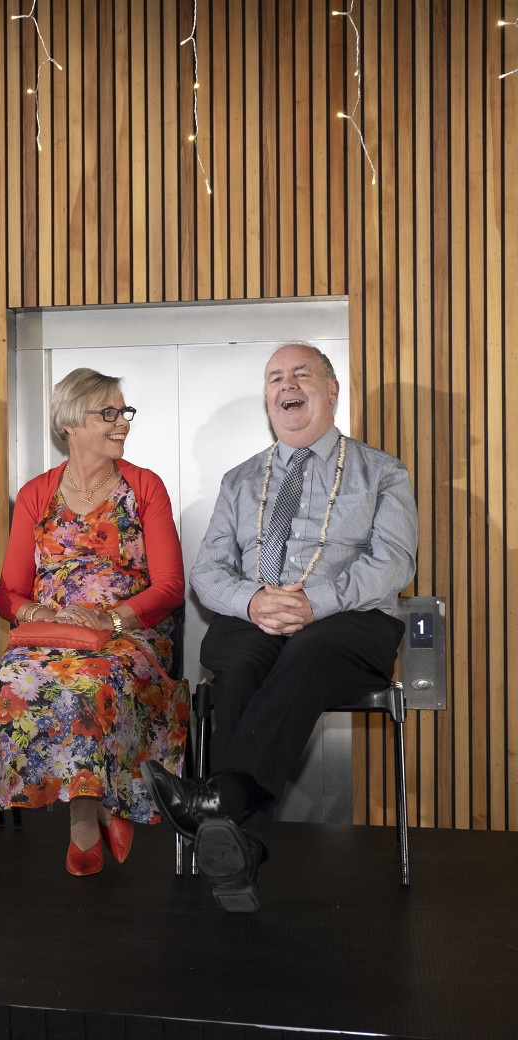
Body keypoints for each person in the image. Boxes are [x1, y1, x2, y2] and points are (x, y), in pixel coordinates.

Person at [145, 342, 417, 912]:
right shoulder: (240, 479)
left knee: (309, 651)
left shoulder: (383, 472)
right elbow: (208, 572)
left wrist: (316, 603)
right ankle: (238, 841)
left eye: (301, 374)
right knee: (237, 662)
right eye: (275, 378)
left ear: (332, 390)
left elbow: (394, 562)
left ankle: (219, 796)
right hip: (257, 618)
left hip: (350, 621)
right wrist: (252, 603)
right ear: (268, 398)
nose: (286, 385)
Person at [0, 368, 185, 876]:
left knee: (92, 678)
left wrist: (108, 618)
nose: (123, 423)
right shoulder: (36, 493)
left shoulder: (145, 487)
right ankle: (102, 806)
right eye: (108, 413)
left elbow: (169, 587)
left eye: (124, 412)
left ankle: (82, 822)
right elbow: (8, 593)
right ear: (70, 424)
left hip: (128, 633)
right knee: (14, 678)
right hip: (51, 635)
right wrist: (41, 613)